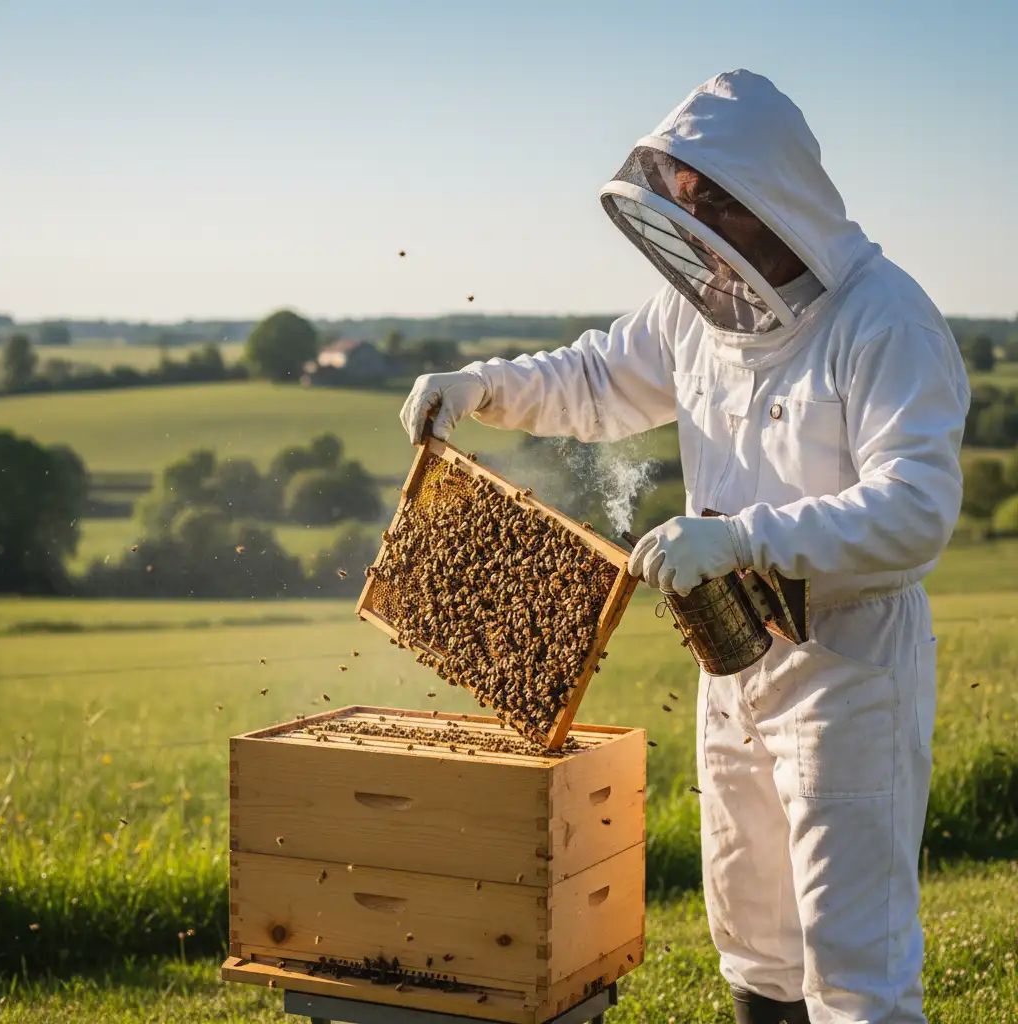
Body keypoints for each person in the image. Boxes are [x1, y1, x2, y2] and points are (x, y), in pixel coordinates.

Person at [400, 69, 970, 1024]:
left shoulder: (885, 321)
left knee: (852, 962)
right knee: (752, 937)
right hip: (732, 656)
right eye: (679, 201)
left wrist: (744, 537)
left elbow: (915, 510)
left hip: (847, 670)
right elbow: (593, 381)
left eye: (710, 206)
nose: (694, 232)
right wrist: (482, 387)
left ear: (771, 203)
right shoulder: (698, 314)